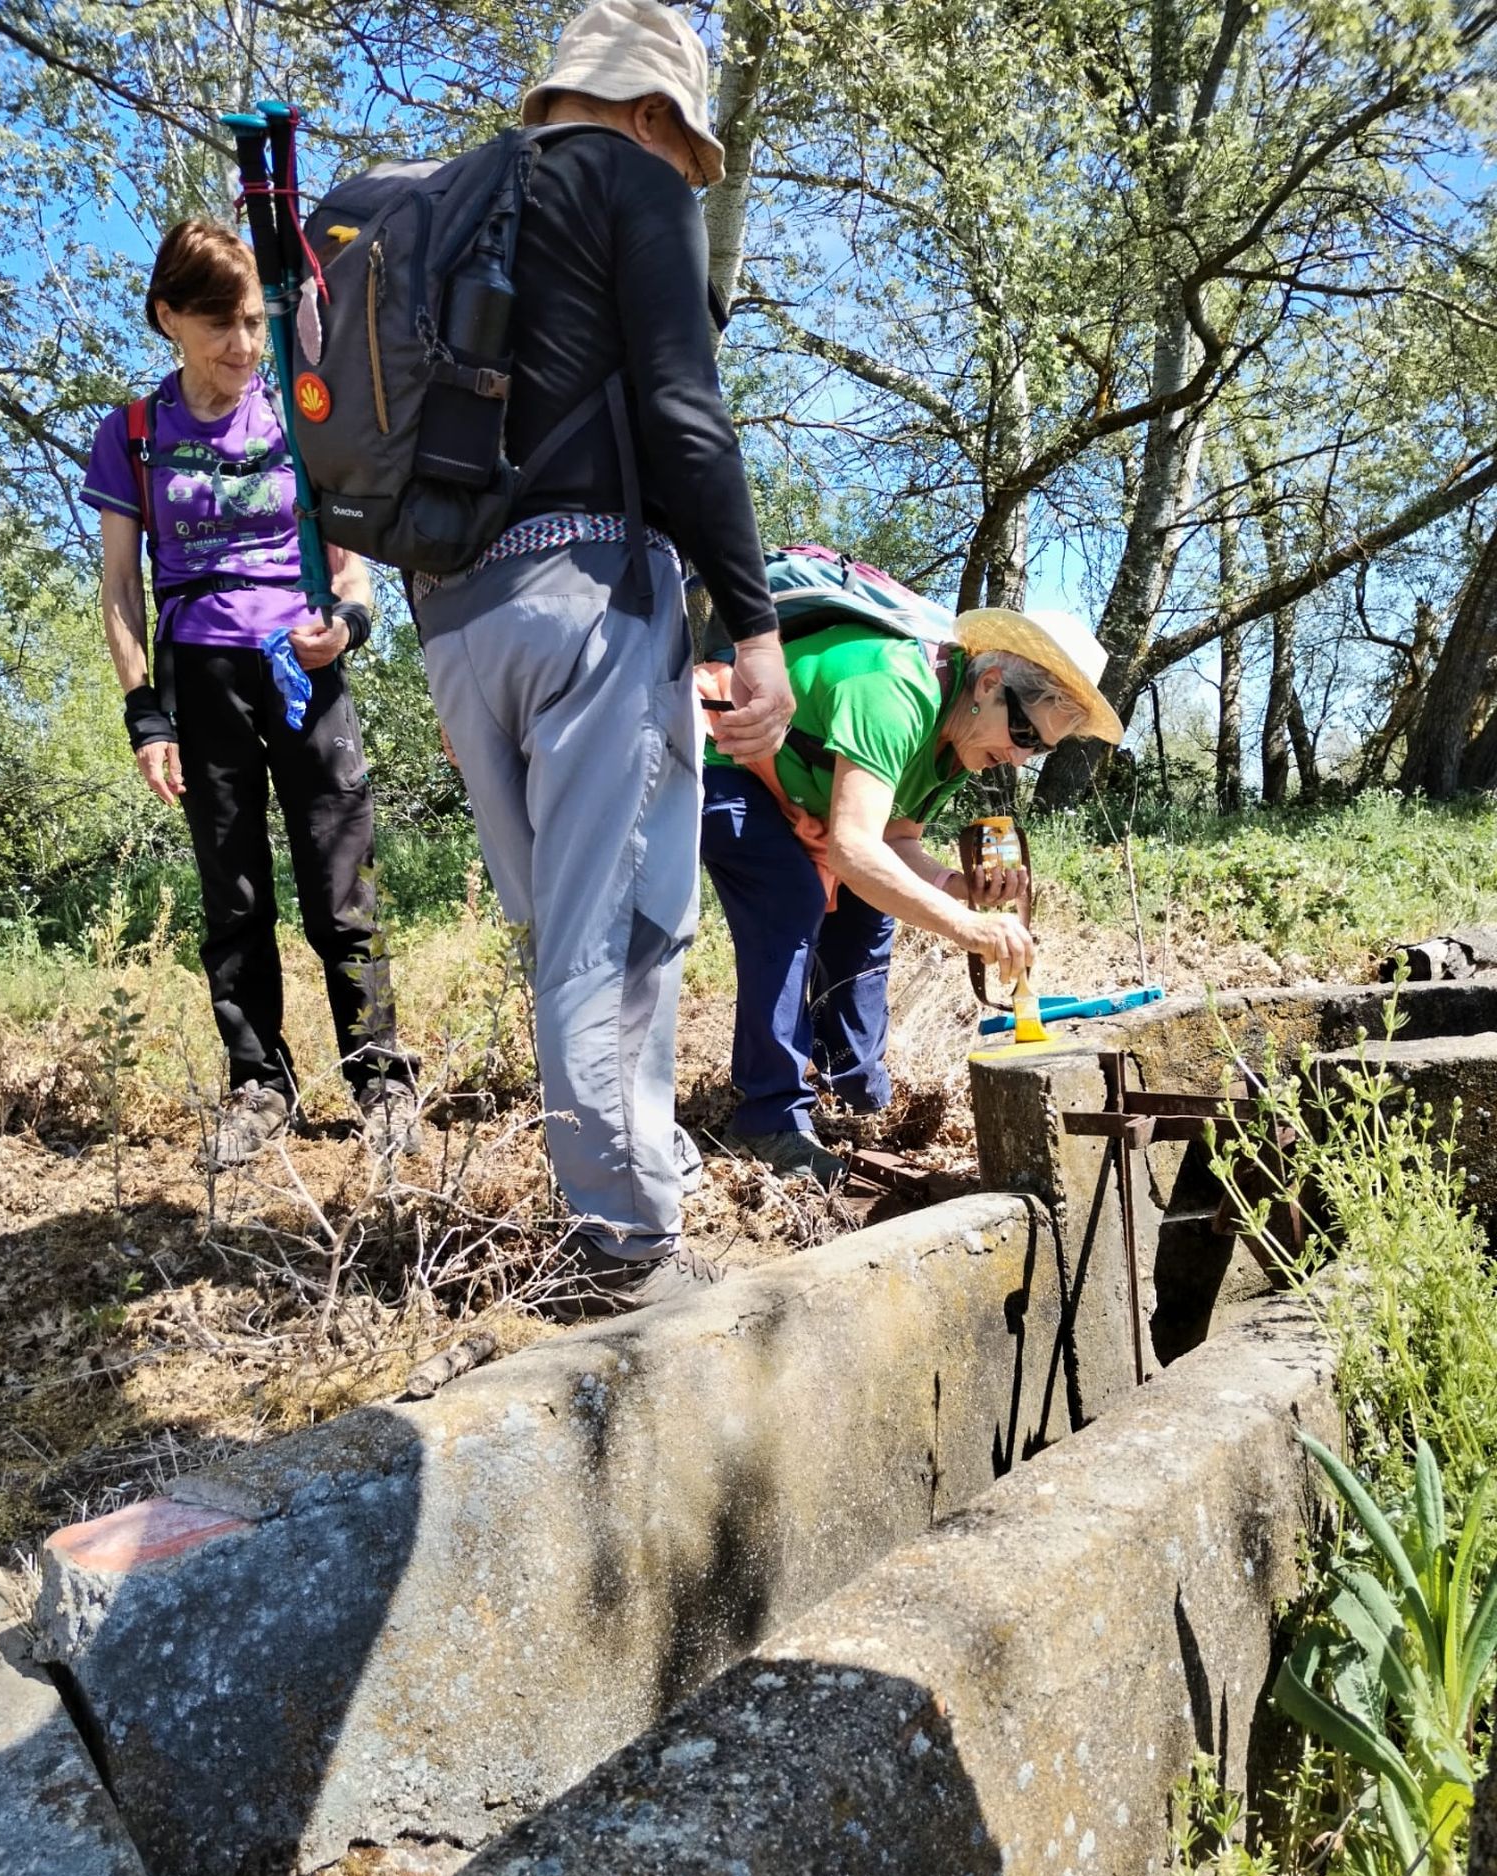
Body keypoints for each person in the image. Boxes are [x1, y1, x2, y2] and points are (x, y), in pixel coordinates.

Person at [413, 0, 795, 1317]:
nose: (685, 178)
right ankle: (625, 1252)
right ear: (649, 116)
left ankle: (634, 1160)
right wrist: (754, 626)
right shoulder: (628, 179)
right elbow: (687, 418)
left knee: (558, 931)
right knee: (620, 936)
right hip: (587, 606)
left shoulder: (456, 198)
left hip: (455, 621)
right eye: (687, 152)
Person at [84, 219, 418, 1169]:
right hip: (201, 673)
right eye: (217, 323)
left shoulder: (300, 413)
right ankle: (259, 1085)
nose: (240, 345)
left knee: (340, 884)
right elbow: (119, 587)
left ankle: (382, 1078)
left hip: (305, 668)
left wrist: (345, 629)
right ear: (168, 320)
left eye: (251, 322)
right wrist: (144, 709)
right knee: (232, 896)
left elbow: (353, 572)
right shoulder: (135, 434)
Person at [699, 608, 1124, 1183]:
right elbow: (853, 851)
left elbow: (894, 840)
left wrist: (955, 885)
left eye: (1040, 749)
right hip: (725, 759)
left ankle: (850, 1089)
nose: (1022, 758)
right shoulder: (896, 691)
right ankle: (768, 1118)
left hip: (800, 791)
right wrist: (965, 926)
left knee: (871, 910)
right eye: (1023, 734)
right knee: (790, 898)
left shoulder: (960, 741)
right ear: (991, 685)